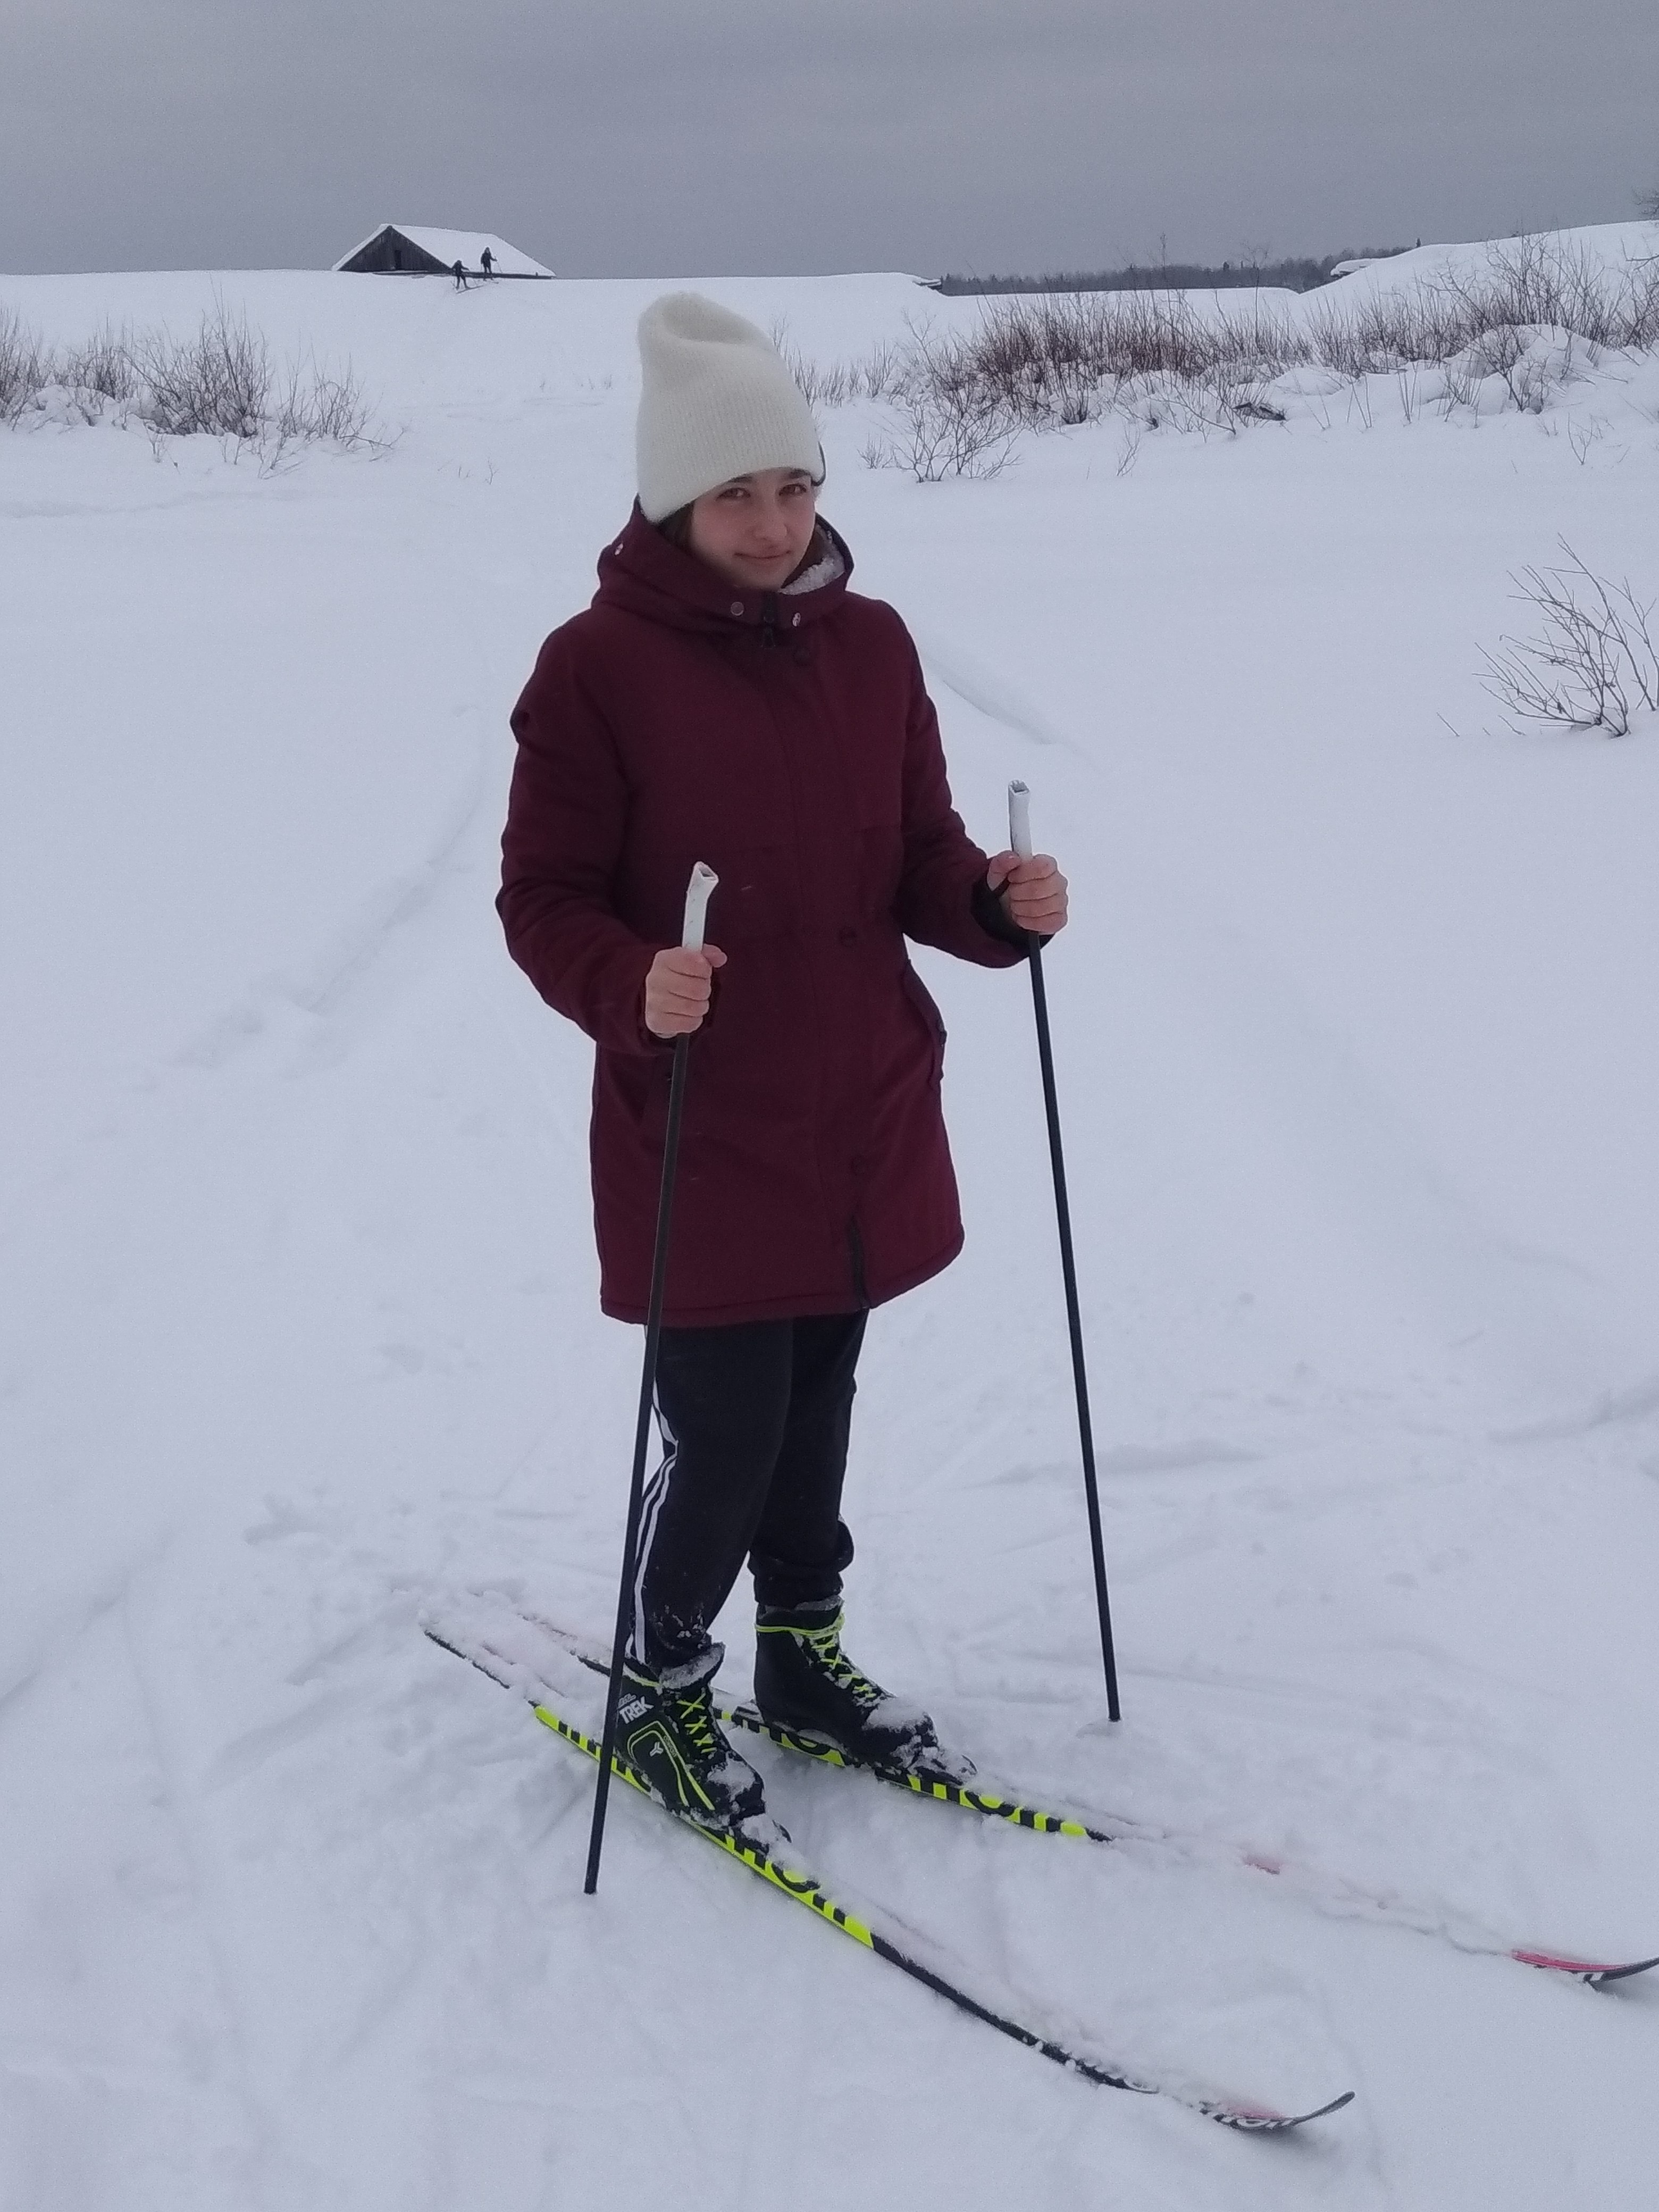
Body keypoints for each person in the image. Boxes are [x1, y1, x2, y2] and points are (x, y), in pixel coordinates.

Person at [499, 294, 1067, 1833]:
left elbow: (920, 855)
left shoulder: (873, 648)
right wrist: (631, 979)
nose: (771, 522)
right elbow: (542, 900)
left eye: (795, 485)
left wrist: (989, 906)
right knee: (729, 1430)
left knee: (819, 1405)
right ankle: (660, 1683)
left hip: (861, 1107)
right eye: (735, 492)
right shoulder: (595, 669)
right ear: (673, 502)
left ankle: (800, 1656)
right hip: (705, 1121)